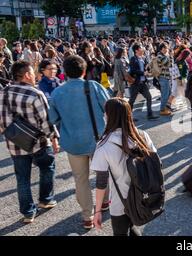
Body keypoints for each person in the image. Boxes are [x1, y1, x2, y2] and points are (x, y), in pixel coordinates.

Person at [48, 55, 110, 230]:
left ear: (64, 72)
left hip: (73, 143)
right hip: (97, 140)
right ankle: (104, 202)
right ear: (84, 71)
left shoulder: (57, 93)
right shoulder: (93, 86)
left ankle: (87, 216)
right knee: (102, 174)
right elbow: (109, 109)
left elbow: (52, 118)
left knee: (80, 179)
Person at [0, 61, 60, 223]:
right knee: (47, 167)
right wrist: (54, 139)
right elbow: (46, 121)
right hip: (38, 142)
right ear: (27, 75)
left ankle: (28, 213)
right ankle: (45, 199)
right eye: (33, 73)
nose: (36, 75)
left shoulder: (3, 93)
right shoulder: (35, 94)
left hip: (15, 144)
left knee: (22, 178)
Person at [92, 98, 157, 236]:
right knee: (131, 226)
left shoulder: (104, 145)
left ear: (108, 116)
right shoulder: (142, 136)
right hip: (144, 195)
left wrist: (97, 211)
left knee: (121, 231)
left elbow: (101, 182)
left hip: (120, 202)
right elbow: (157, 163)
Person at [128, 43, 158, 120]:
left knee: (149, 97)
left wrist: (148, 70)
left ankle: (150, 114)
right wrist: (142, 73)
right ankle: (128, 117)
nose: (142, 50)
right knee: (131, 101)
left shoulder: (143, 58)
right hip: (135, 83)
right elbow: (133, 70)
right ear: (136, 50)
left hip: (143, 82)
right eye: (141, 48)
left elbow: (145, 68)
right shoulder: (133, 59)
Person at [156, 43, 173, 116]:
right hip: (163, 77)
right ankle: (162, 110)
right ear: (162, 49)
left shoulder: (163, 56)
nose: (167, 49)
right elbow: (166, 63)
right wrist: (169, 55)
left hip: (166, 77)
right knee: (165, 95)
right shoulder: (160, 56)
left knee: (168, 93)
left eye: (167, 48)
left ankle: (166, 108)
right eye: (165, 48)